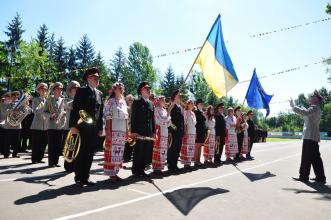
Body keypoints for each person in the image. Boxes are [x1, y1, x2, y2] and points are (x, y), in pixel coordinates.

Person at [69, 67, 104, 187]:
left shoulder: (99, 94)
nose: (97, 79)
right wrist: (73, 126)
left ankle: (86, 177)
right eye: (94, 77)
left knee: (90, 154)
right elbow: (75, 109)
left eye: (98, 78)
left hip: (93, 129)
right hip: (82, 127)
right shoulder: (82, 91)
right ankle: (79, 177)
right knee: (81, 153)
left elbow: (100, 113)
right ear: (88, 79)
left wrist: (100, 128)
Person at [291, 90, 326, 184]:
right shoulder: (315, 108)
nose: (310, 97)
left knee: (306, 157)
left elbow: (305, 113)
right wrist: (298, 109)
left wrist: (294, 107)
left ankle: (303, 176)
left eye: (312, 96)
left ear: (316, 99)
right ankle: (320, 177)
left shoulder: (314, 107)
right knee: (315, 158)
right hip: (312, 136)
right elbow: (305, 114)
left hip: (310, 136)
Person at [103, 82, 128, 181]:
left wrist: (127, 130)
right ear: (114, 89)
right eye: (119, 88)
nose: (121, 89)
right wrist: (108, 130)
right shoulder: (110, 101)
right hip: (113, 128)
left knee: (119, 152)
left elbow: (126, 117)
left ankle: (116, 172)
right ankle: (111, 173)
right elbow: (107, 116)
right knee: (112, 151)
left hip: (122, 130)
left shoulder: (123, 102)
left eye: (122, 88)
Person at [131, 81, 155, 177]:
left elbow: (152, 119)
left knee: (146, 151)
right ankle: (136, 170)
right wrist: (133, 131)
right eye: (146, 89)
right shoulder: (136, 102)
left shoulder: (151, 104)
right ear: (141, 90)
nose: (149, 90)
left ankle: (141, 170)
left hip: (148, 132)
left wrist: (153, 132)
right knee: (138, 151)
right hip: (139, 131)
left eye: (149, 89)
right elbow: (133, 118)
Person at [44, 82, 66, 167]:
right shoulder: (49, 99)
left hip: (60, 125)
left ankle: (56, 162)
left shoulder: (63, 100)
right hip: (51, 125)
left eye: (60, 89)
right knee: (52, 145)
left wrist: (63, 113)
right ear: (54, 90)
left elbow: (64, 110)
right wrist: (50, 115)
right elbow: (44, 112)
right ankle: (51, 162)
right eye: (57, 89)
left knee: (58, 145)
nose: (60, 91)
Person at [63, 81, 80, 172]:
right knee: (70, 147)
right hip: (69, 127)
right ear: (70, 90)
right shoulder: (66, 99)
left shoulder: (80, 99)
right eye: (74, 89)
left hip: (78, 126)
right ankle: (68, 165)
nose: (76, 90)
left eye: (77, 89)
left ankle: (75, 165)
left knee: (77, 147)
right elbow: (68, 105)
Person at [152, 96, 171, 174]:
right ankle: (156, 168)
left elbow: (169, 122)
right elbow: (158, 120)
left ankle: (160, 167)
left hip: (165, 131)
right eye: (162, 100)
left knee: (163, 149)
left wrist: (167, 119)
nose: (164, 101)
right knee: (158, 149)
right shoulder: (156, 109)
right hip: (159, 130)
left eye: (164, 100)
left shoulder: (165, 110)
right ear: (159, 101)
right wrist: (166, 120)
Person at [30, 83, 49, 164]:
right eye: (41, 90)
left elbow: (49, 111)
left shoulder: (48, 100)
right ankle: (34, 159)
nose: (43, 91)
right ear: (38, 91)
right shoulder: (35, 100)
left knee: (43, 143)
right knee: (36, 143)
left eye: (45, 90)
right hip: (37, 125)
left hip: (46, 125)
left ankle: (40, 158)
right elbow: (35, 111)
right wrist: (43, 107)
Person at [167, 89, 184, 172]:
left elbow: (182, 121)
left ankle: (175, 164)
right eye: (179, 96)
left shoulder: (180, 107)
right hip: (174, 131)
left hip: (179, 132)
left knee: (177, 148)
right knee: (172, 148)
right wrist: (174, 128)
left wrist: (181, 130)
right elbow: (168, 118)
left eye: (181, 96)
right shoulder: (172, 106)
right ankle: (171, 165)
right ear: (175, 97)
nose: (180, 97)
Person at [2, 91, 23, 158]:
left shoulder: (20, 105)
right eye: (13, 97)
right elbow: (4, 113)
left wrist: (21, 111)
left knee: (16, 141)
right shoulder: (7, 104)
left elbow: (24, 113)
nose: (15, 98)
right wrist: (12, 109)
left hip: (17, 125)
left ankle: (15, 153)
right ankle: (6, 154)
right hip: (8, 126)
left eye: (17, 97)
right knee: (7, 141)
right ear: (11, 97)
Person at [180, 99, 196, 168]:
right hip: (188, 132)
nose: (192, 105)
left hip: (193, 132)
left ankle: (189, 162)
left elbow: (195, 124)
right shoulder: (186, 112)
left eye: (193, 103)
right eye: (191, 103)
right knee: (187, 147)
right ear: (188, 104)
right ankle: (185, 163)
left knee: (191, 147)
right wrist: (185, 132)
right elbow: (185, 123)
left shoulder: (193, 113)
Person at [194, 99, 206, 166]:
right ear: (197, 105)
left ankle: (198, 160)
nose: (201, 105)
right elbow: (195, 123)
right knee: (197, 146)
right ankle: (196, 161)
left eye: (202, 104)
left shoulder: (202, 112)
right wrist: (195, 132)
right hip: (198, 131)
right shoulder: (196, 112)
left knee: (200, 146)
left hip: (202, 131)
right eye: (200, 104)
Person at [123, 94, 134, 162]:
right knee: (126, 142)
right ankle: (126, 157)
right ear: (126, 100)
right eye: (129, 99)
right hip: (126, 126)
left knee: (131, 142)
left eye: (132, 100)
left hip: (132, 127)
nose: (130, 101)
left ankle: (129, 156)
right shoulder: (125, 107)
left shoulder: (134, 108)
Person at [0, 92, 11, 156]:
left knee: (7, 139)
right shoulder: (1, 104)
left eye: (9, 97)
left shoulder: (11, 105)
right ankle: (3, 151)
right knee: (2, 138)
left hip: (9, 123)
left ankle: (6, 151)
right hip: (2, 122)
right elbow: (4, 113)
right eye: (7, 97)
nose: (9, 99)